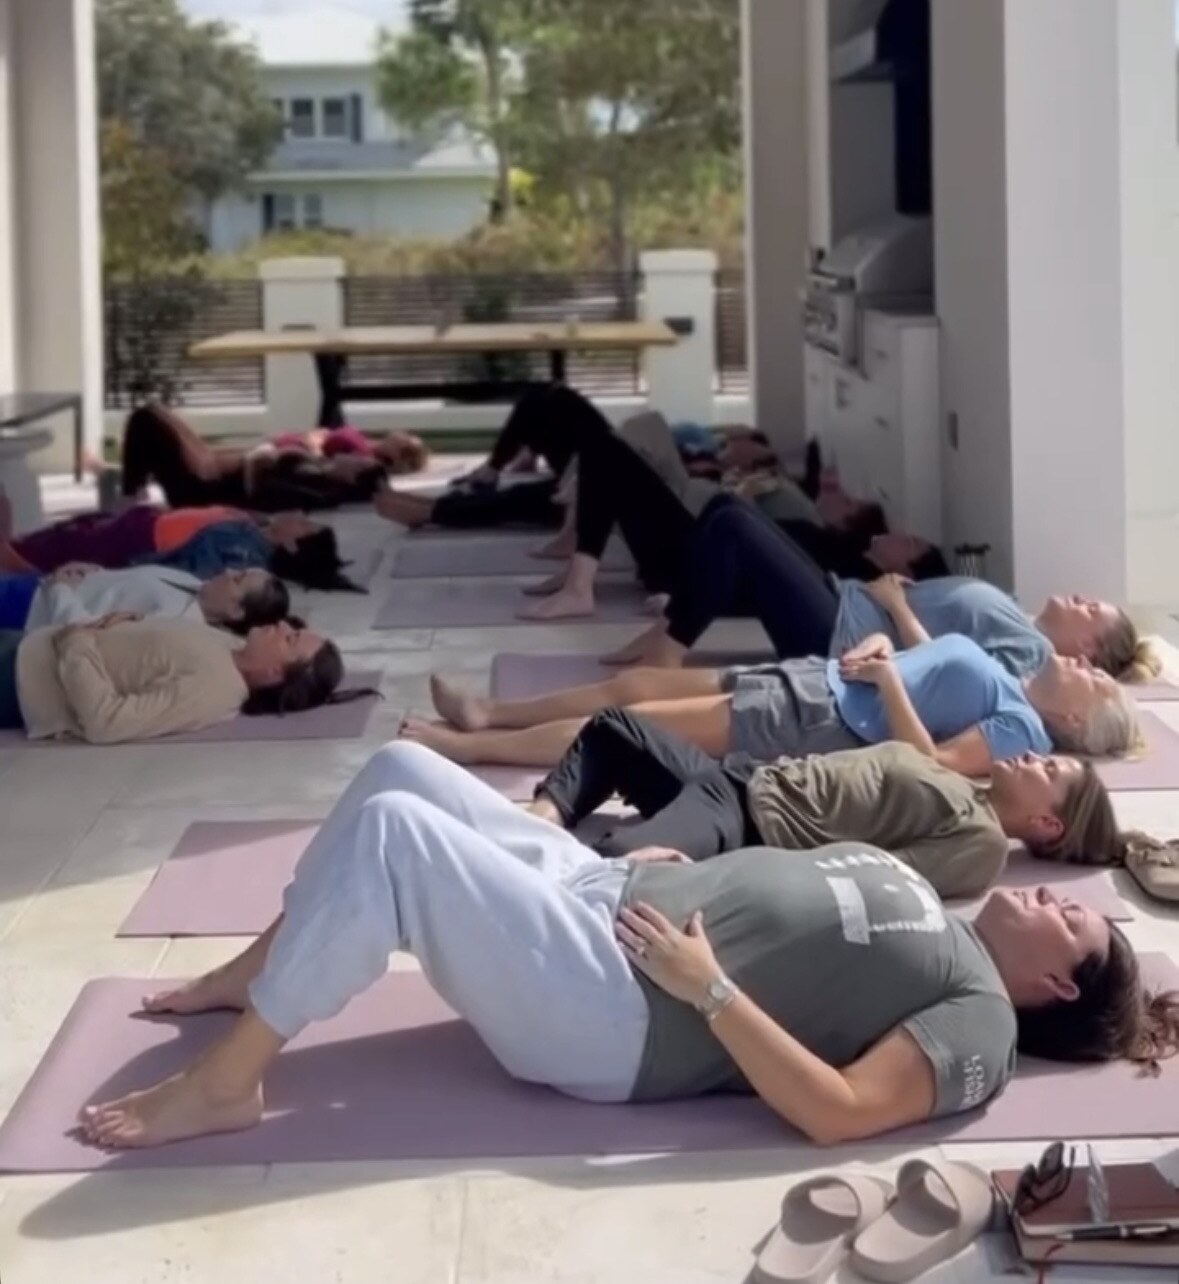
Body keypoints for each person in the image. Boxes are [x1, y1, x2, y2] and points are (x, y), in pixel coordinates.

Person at [75, 742, 1177, 1152]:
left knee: (397, 840)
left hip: (622, 1008)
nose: (1061, 903)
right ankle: (249, 974)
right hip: (610, 897)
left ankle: (228, 1086)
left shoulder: (978, 1011)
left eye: (1073, 921)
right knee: (401, 771)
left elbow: (842, 1114)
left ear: (1050, 984)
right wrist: (690, 874)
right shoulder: (938, 909)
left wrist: (711, 993)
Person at [529, 710, 1115, 896]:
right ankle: (544, 818)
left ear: (1046, 822)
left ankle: (522, 862)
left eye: (1049, 769)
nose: (1035, 756)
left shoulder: (982, 843)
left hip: (750, 823)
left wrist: (736, 879)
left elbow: (877, 878)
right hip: (736, 781)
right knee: (614, 729)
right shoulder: (963, 784)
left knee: (610, 868)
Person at [606, 494, 1159, 684]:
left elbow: (949, 669)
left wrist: (896, 603)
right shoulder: (1020, 613)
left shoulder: (1033, 655)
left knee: (734, 528)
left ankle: (668, 652)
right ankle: (667, 629)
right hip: (846, 602)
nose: (1082, 598)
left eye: (1092, 611)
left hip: (841, 639)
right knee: (726, 509)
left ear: (1086, 649)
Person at [412, 631, 1140, 771]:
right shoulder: (1014, 679)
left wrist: (885, 681)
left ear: (1074, 718)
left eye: (1095, 678)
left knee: (625, 727)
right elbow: (928, 671)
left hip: (822, 720)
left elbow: (940, 765)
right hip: (811, 679)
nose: (1083, 663)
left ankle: (466, 748)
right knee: (633, 687)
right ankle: (490, 713)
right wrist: (887, 649)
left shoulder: (1023, 731)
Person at [0, 616, 359, 744]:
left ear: (273, 674)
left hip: (16, 678)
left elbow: (106, 723)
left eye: (290, 638)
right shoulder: (231, 647)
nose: (283, 625)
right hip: (27, 645)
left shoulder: (212, 691)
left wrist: (76, 644)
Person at [0, 503, 361, 593]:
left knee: (34, 551)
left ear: (294, 545)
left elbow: (194, 573)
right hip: (128, 528)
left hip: (129, 544)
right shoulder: (255, 530)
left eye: (304, 523)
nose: (298, 513)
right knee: (35, 543)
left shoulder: (246, 556)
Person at [120, 404, 387, 512]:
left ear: (353, 476)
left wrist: (260, 458)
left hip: (203, 485)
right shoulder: (319, 468)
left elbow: (265, 494)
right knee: (153, 415)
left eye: (360, 462)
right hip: (211, 469)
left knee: (148, 418)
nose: (356, 456)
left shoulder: (317, 481)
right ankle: (132, 491)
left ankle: (130, 494)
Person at [0, 565, 288, 634]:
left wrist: (61, 589)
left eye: (237, 579)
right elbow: (124, 585)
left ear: (236, 611)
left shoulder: (173, 622)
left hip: (29, 611)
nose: (228, 571)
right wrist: (91, 570)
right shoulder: (193, 586)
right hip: (36, 588)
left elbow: (89, 634)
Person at [268, 426, 428, 475]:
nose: (402, 433)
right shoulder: (366, 443)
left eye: (406, 439)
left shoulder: (363, 457)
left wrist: (313, 444)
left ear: (397, 454)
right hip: (284, 441)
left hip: (283, 452)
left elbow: (322, 463)